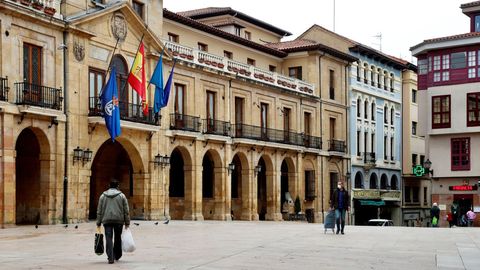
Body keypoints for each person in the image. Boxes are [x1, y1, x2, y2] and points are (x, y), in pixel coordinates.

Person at [96, 179, 130, 264]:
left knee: (108, 238)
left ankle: (110, 257)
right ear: (117, 186)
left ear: (109, 186)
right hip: (119, 220)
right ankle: (117, 255)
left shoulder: (103, 196)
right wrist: (127, 222)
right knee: (118, 237)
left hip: (107, 220)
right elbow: (126, 210)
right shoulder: (122, 196)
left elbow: (99, 210)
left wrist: (98, 222)